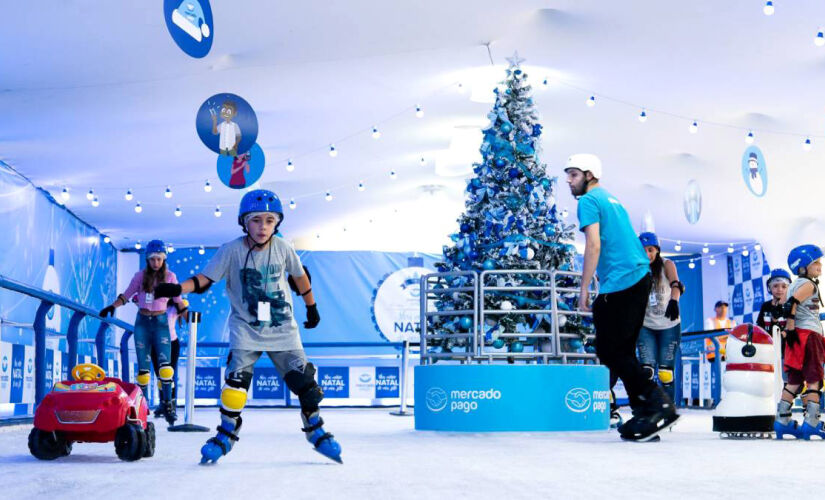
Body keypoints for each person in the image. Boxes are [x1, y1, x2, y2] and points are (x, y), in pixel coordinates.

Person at [153, 189, 341, 464]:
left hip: (283, 329)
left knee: (308, 387)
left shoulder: (283, 247)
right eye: (256, 220)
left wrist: (312, 307)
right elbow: (205, 279)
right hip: (246, 330)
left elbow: (300, 277)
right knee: (234, 388)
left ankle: (315, 429)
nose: (263, 227)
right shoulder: (231, 251)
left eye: (269, 220)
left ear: (277, 222)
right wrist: (177, 287)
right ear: (244, 222)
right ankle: (226, 434)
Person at [564, 153, 678, 442]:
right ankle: (646, 415)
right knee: (622, 350)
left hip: (622, 282)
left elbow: (593, 244)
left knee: (610, 349)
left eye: (574, 174)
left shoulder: (589, 201)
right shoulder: (612, 200)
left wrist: (585, 287)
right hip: (638, 278)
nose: (569, 180)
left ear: (590, 175)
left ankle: (657, 403)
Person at [99, 240, 184, 425]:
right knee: (143, 371)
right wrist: (112, 306)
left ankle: (168, 405)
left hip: (161, 322)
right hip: (143, 322)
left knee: (166, 368)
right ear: (147, 259)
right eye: (153, 259)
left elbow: (178, 298)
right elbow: (127, 294)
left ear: (164, 260)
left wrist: (184, 311)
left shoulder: (170, 276)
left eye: (159, 259)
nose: (156, 263)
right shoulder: (140, 276)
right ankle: (142, 406)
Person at [775, 245, 825, 439]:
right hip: (809, 336)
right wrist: (790, 324)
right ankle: (812, 422)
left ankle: (782, 420)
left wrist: (790, 328)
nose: (820, 266)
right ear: (803, 267)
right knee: (814, 379)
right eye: (815, 263)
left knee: (795, 380)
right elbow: (792, 304)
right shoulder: (810, 285)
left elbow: (784, 304)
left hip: (796, 337)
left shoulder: (792, 285)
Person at [636, 232, 684, 403]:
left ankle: (668, 410)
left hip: (669, 326)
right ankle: (648, 409)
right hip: (645, 325)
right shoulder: (636, 269)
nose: (647, 254)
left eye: (650, 250)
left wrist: (674, 301)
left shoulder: (666, 264)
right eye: (643, 251)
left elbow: (676, 284)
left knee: (665, 373)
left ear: (657, 250)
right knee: (646, 371)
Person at [151, 300, 187, 418]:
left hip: (171, 343)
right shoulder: (152, 303)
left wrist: (181, 303)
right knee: (159, 375)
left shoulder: (175, 306)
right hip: (155, 343)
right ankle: (163, 404)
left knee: (168, 374)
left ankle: (170, 406)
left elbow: (187, 316)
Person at [756, 269, 791, 356]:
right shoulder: (765, 306)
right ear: (769, 288)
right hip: (769, 351)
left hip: (787, 351)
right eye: (775, 286)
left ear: (789, 288)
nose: (779, 289)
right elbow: (760, 327)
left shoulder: (791, 306)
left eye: (784, 286)